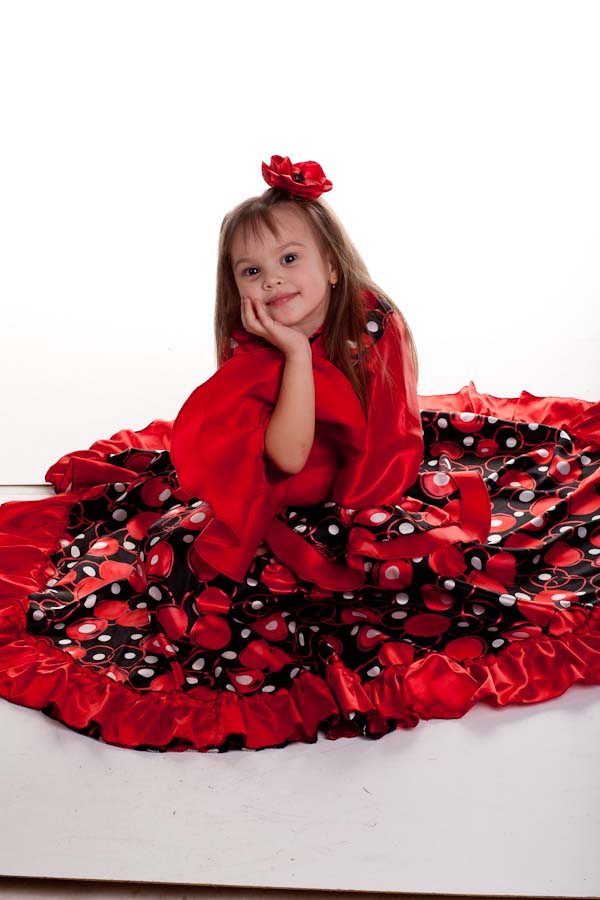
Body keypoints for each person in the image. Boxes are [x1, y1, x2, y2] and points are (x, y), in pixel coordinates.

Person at [0, 155, 599, 753]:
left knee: (427, 574)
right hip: (280, 494)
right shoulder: (259, 346)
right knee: (180, 568)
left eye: (290, 259)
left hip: (363, 486)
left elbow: (390, 433)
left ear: (332, 266)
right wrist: (292, 354)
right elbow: (286, 458)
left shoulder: (371, 318)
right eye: (252, 270)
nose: (273, 280)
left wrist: (364, 523)